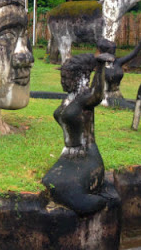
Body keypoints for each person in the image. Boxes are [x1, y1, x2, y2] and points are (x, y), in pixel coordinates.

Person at [42, 52, 114, 215]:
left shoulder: (84, 99)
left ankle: (102, 203)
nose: (63, 82)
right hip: (68, 155)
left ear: (81, 78)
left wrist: (101, 67)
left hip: (87, 156)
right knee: (50, 181)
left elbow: (97, 93)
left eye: (67, 78)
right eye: (62, 78)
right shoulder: (68, 100)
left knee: (68, 186)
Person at [96, 35, 141, 106]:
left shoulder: (117, 62)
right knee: (137, 106)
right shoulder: (100, 64)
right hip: (106, 99)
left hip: (117, 95)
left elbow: (133, 54)